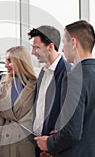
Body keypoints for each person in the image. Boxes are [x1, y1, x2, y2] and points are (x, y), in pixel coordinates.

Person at [34, 20, 95, 157]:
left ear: (73, 42)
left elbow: (72, 133)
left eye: (64, 44)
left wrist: (49, 143)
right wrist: (60, 136)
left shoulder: (74, 78)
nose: (62, 50)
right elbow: (92, 126)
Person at [29, 25, 70, 157]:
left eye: (36, 48)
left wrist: (54, 147)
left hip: (54, 149)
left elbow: (70, 120)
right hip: (38, 144)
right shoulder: (42, 72)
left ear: (50, 47)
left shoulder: (68, 74)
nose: (32, 52)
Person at [0, 46, 37, 157]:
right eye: (6, 61)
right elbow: (0, 117)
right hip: (6, 142)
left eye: (10, 61)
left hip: (26, 143)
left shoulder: (36, 85)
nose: (6, 65)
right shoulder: (5, 86)